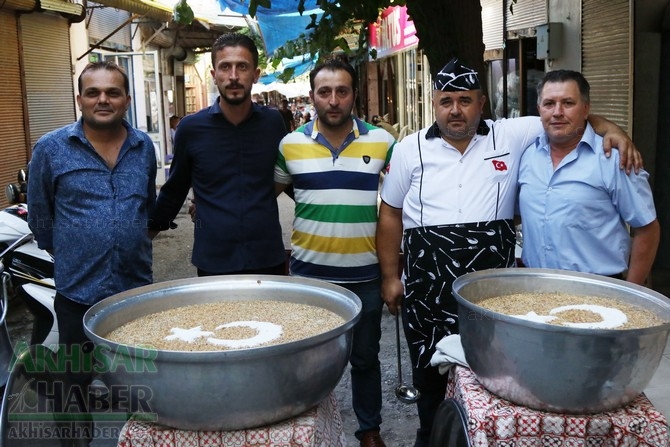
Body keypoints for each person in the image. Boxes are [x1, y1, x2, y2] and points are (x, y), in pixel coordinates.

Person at [375, 58, 641, 447]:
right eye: (446, 100)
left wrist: (612, 129)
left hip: (493, 291)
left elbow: (567, 116)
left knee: (499, 373)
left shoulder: (512, 134)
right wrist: (388, 277)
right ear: (434, 102)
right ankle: (433, 436)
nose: (455, 109)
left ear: (482, 103)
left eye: (465, 100)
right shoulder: (408, 149)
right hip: (426, 285)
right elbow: (390, 214)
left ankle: (490, 438)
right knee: (429, 373)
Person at [27, 61, 157, 446]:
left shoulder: (143, 146)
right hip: (77, 295)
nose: (104, 99)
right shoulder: (51, 149)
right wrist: (71, 254)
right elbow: (39, 215)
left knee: (142, 387)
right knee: (74, 388)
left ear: (127, 100)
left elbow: (146, 207)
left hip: (134, 294)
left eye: (113, 92)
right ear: (80, 98)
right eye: (94, 92)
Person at [274, 58, 395, 447]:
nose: (333, 100)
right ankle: (306, 434)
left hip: (365, 276)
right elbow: (264, 197)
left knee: (365, 359)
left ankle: (369, 430)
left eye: (342, 91)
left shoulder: (382, 142)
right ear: (312, 96)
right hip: (310, 279)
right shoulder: (290, 146)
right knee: (307, 365)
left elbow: (399, 204)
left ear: (354, 95)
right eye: (324, 92)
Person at [148, 32, 287, 276]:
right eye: (225, 67)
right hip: (214, 262)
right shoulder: (191, 129)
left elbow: (291, 178)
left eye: (242, 67)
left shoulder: (273, 123)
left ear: (256, 74)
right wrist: (142, 239)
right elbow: (175, 189)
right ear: (214, 75)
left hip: (267, 258)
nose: (233, 76)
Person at [518, 69, 660, 284]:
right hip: (535, 288)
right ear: (539, 109)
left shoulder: (615, 160)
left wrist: (631, 292)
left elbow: (647, 229)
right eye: (549, 104)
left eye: (568, 103)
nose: (557, 112)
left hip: (598, 290)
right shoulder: (526, 155)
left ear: (586, 109)